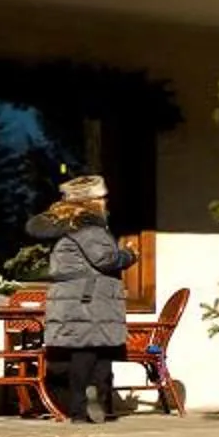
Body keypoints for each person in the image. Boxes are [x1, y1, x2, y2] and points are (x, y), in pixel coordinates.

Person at [34, 176, 134, 424]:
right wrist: (129, 255)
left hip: (74, 298)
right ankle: (87, 401)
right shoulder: (88, 227)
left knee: (87, 348)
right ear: (90, 201)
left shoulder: (66, 226)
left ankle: (83, 404)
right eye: (102, 198)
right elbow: (105, 259)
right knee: (94, 350)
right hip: (90, 298)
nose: (106, 202)